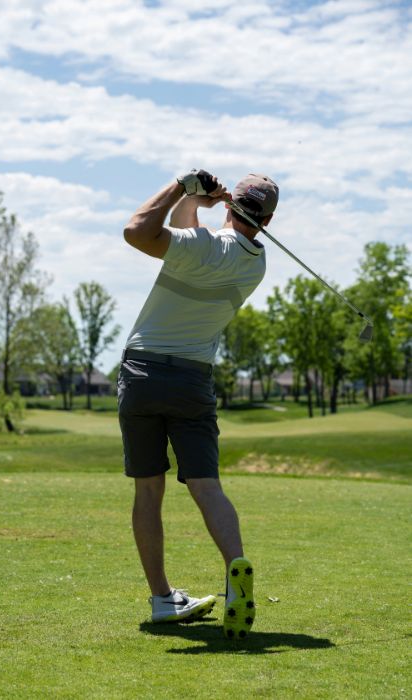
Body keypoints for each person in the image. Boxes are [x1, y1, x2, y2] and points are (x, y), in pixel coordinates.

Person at [118, 169, 279, 638]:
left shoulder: (201, 246)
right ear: (266, 219)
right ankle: (235, 572)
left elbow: (137, 231)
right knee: (207, 486)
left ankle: (162, 599)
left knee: (149, 491)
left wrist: (178, 185)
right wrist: (196, 201)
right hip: (193, 380)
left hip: (144, 373)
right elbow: (194, 235)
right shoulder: (255, 263)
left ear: (231, 205)